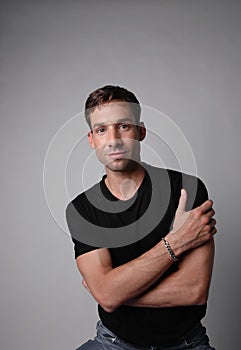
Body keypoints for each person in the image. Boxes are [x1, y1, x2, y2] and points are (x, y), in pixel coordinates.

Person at [65, 85, 217, 350]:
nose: (113, 139)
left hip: (186, 344)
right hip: (113, 343)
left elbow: (194, 290)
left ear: (140, 132)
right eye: (101, 130)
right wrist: (176, 242)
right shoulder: (82, 209)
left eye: (123, 126)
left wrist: (113, 293)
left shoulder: (186, 189)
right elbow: (107, 294)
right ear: (92, 139)